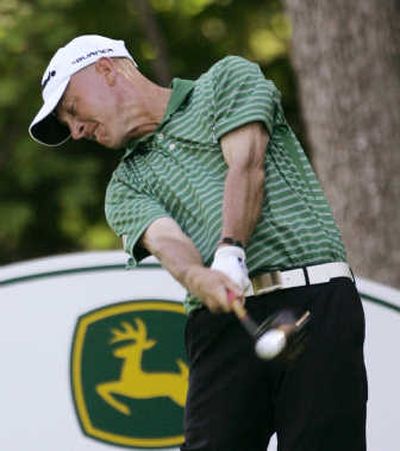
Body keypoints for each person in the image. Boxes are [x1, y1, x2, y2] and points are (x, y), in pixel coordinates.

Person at [29, 34, 368, 451]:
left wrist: (229, 251)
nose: (76, 130)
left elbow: (246, 164)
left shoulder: (225, 80)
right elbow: (166, 240)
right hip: (221, 326)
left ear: (106, 69)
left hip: (314, 300)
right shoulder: (125, 185)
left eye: (72, 109)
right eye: (67, 125)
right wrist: (197, 276)